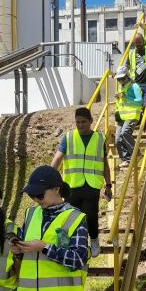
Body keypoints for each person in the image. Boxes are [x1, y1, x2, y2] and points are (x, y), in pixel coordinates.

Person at [50, 107, 112, 258]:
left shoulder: (100, 139)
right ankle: (66, 244)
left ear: (91, 121)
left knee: (90, 215)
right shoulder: (68, 137)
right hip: (72, 186)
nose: (80, 125)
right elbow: (58, 158)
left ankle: (95, 240)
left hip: (92, 185)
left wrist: (108, 185)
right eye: (78, 122)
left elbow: (105, 164)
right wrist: (50, 177)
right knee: (69, 216)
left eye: (84, 122)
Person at [114, 66, 143, 167]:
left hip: (132, 115)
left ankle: (136, 152)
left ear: (127, 76)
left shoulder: (134, 86)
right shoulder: (121, 87)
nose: (120, 80)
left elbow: (140, 102)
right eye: (119, 79)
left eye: (122, 78)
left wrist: (127, 97)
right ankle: (126, 159)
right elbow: (121, 103)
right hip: (122, 117)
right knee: (117, 139)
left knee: (125, 132)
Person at [126, 32, 146, 106]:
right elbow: (127, 66)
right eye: (136, 43)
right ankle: (142, 117)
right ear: (134, 43)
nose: (138, 44)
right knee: (138, 104)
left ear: (143, 41)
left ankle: (145, 116)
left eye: (140, 42)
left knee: (145, 104)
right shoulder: (131, 53)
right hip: (135, 83)